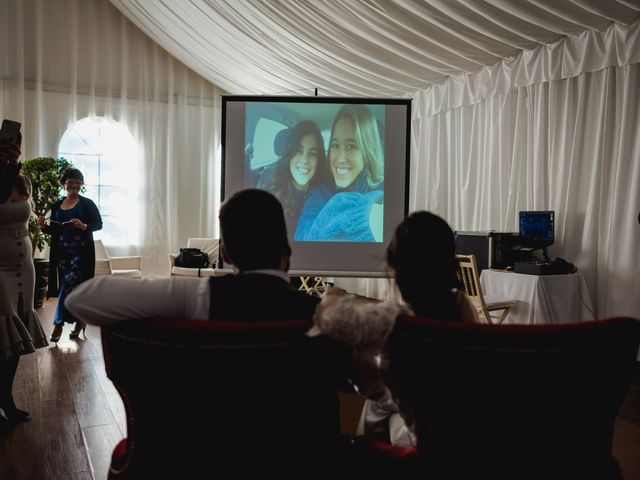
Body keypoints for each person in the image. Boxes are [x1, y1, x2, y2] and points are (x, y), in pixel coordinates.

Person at [312, 211, 478, 446]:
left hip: (416, 439)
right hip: (461, 432)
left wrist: (331, 296)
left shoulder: (393, 320)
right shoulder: (463, 307)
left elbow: (329, 318)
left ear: (395, 267)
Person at [65, 188, 322, 324]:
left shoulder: (199, 296)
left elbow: (80, 300)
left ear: (225, 253)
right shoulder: (326, 316)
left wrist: (180, 294)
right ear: (287, 251)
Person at [295, 104, 384, 242]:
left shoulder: (384, 190)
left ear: (367, 150)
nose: (340, 158)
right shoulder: (319, 194)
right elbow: (303, 239)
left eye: (351, 146)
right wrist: (338, 206)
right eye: (335, 145)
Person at [0, 174, 48, 430]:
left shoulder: (20, 179)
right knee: (2, 334)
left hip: (24, 266)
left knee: (16, 336)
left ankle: (6, 398)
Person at [38, 168, 102, 342]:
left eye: (77, 182)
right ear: (63, 184)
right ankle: (81, 320)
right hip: (62, 255)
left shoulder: (87, 204)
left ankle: (58, 324)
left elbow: (98, 224)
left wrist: (84, 226)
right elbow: (55, 229)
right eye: (69, 182)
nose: (73, 185)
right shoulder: (57, 205)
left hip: (82, 255)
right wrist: (44, 227)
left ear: (81, 184)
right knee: (76, 290)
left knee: (66, 285)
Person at [257, 120, 327, 236]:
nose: (305, 160)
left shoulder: (323, 193)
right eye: (298, 151)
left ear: (319, 160)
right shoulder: (269, 187)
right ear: (290, 153)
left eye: (312, 153)